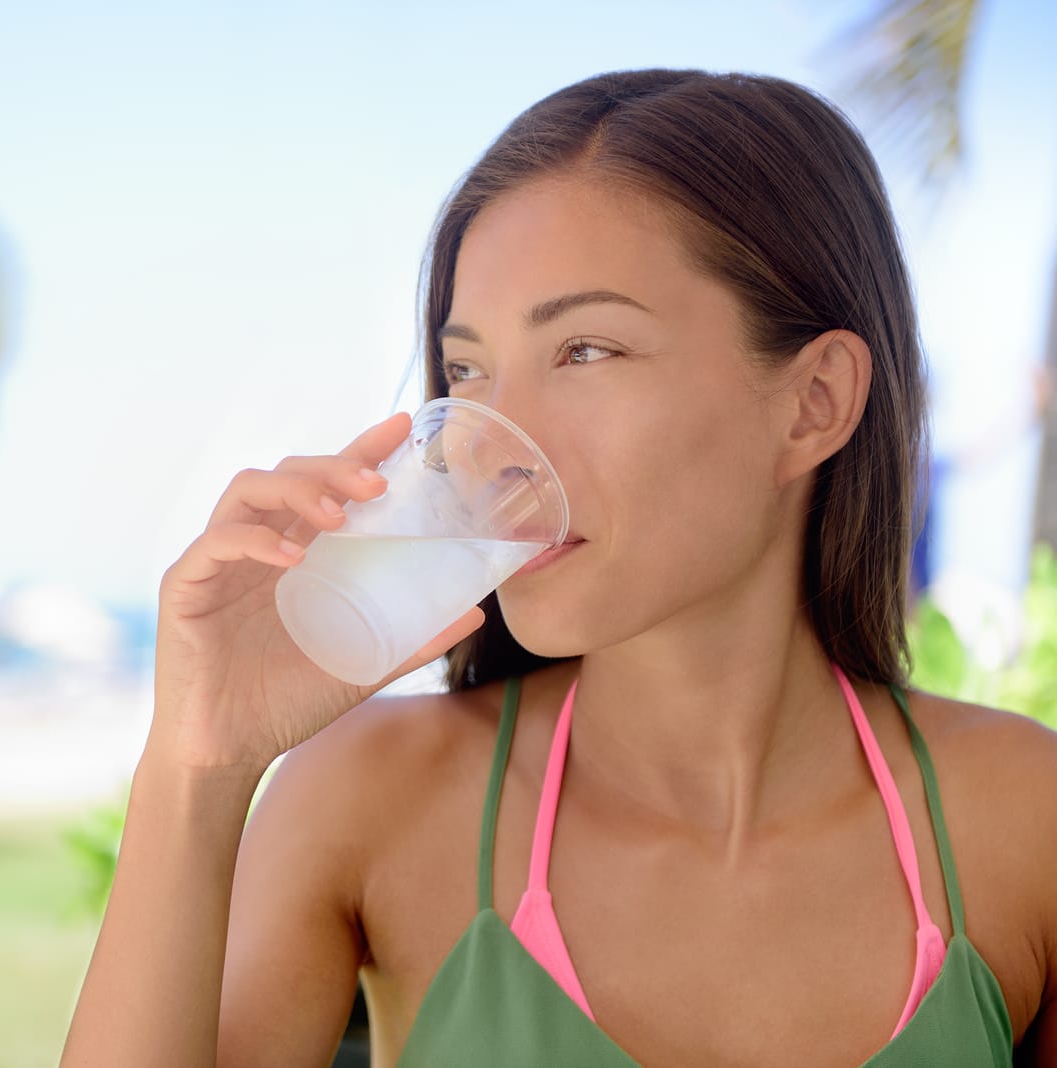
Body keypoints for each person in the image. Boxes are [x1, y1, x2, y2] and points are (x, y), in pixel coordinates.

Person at [60, 69, 1056, 1066]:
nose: (492, 441)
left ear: (813, 402)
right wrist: (197, 767)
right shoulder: (368, 802)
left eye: (584, 350)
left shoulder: (1021, 823)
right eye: (467, 369)